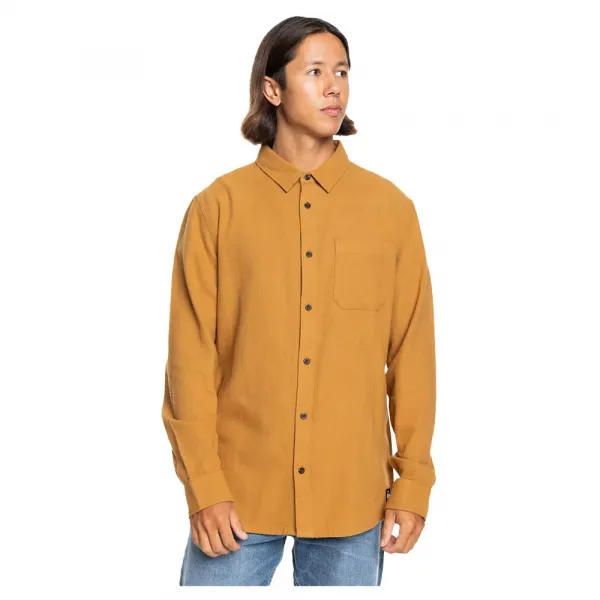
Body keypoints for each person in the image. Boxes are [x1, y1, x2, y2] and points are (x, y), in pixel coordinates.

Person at [161, 15, 437, 586]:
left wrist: (412, 482)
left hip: (352, 498)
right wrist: (204, 485)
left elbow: (412, 355)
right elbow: (190, 361)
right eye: (314, 72)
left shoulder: (391, 211)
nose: (333, 86)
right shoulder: (217, 209)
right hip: (236, 497)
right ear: (273, 88)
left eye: (342, 71)